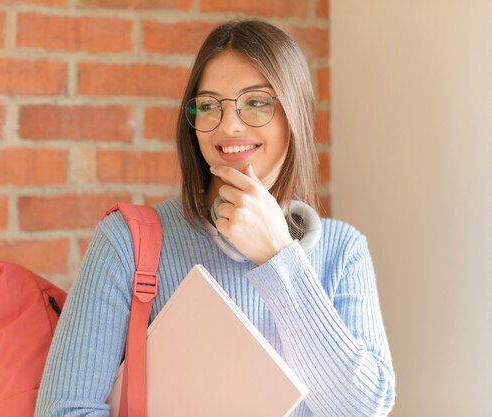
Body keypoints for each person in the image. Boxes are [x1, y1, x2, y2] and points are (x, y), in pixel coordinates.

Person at [36, 19, 395, 417]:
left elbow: (364, 410)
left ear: (294, 115)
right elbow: (64, 410)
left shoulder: (342, 251)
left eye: (257, 102)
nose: (229, 125)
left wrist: (279, 257)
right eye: (209, 105)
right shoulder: (127, 242)